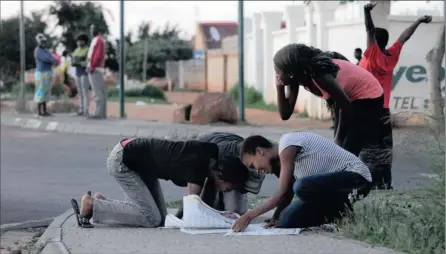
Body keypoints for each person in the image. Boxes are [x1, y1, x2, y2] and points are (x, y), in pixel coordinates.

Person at [70, 137, 249, 228]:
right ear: (221, 175)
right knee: (151, 218)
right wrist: (220, 219)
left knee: (160, 219)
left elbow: (187, 211)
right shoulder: (197, 168)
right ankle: (93, 205)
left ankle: (104, 204)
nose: (226, 191)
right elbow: (191, 211)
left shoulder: (211, 153)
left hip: (141, 163)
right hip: (123, 161)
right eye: (229, 187)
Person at [231, 133, 372, 232]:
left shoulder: (287, 145)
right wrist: (276, 217)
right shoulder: (285, 161)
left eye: (252, 166)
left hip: (357, 178)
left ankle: (342, 211)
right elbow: (287, 195)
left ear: (260, 151)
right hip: (335, 189)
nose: (257, 171)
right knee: (286, 221)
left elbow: (280, 193)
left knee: (301, 186)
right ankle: (338, 215)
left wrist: (248, 216)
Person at [359, 2, 432, 190]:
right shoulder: (391, 55)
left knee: (368, 149)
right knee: (384, 149)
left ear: (374, 41)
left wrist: (366, 12)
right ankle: (384, 184)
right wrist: (418, 21)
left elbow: (369, 29)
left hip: (367, 109)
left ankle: (367, 184)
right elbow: (404, 37)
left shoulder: (371, 55)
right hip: (383, 109)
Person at [273, 43, 384, 164]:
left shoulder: (321, 76)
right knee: (341, 151)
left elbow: (346, 107)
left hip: (368, 97)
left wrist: (338, 139)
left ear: (291, 73)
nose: (276, 75)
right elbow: (285, 114)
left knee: (345, 154)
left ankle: (362, 178)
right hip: (346, 102)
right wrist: (279, 87)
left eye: (278, 71)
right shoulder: (296, 79)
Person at [175, 132, 290, 226]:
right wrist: (179, 218)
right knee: (207, 212)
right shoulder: (216, 155)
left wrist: (277, 217)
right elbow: (192, 196)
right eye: (252, 167)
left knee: (234, 213)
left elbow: (285, 190)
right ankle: (217, 201)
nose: (259, 170)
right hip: (212, 153)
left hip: (231, 164)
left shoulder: (268, 154)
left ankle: (222, 202)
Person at [33, 33, 57, 117]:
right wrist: (51, 59)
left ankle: (45, 111)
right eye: (41, 41)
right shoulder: (37, 51)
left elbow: (54, 60)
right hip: (41, 73)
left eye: (43, 41)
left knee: (46, 92)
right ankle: (39, 111)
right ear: (38, 42)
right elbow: (47, 59)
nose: (43, 43)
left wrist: (51, 59)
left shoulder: (46, 50)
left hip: (47, 72)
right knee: (40, 92)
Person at [87, 24, 107, 119]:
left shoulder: (98, 40)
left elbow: (97, 55)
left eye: (93, 29)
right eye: (91, 29)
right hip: (97, 68)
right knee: (101, 91)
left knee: (97, 91)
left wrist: (91, 66)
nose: (91, 31)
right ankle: (102, 112)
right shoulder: (99, 39)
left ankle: (98, 113)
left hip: (95, 68)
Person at [72, 34, 91, 116]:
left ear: (84, 41)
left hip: (84, 72)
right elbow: (73, 60)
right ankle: (81, 109)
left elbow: (88, 61)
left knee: (85, 91)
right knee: (79, 91)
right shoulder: (76, 50)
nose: (79, 42)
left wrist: (79, 62)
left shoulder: (87, 49)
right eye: (78, 41)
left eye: (81, 41)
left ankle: (86, 110)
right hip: (77, 71)